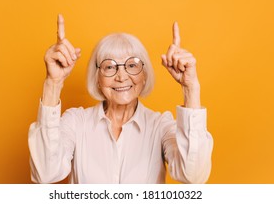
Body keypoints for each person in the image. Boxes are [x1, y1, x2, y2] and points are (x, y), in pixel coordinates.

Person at [28, 14, 213, 184]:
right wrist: (53, 82)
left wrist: (191, 88)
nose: (121, 76)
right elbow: (45, 173)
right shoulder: (76, 122)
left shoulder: (160, 126)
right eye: (109, 67)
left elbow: (193, 175)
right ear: (97, 78)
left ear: (144, 75)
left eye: (132, 65)